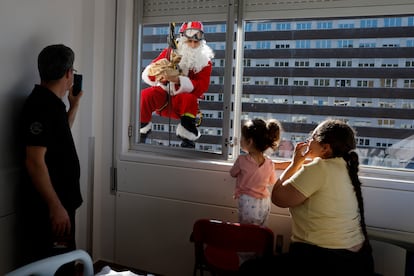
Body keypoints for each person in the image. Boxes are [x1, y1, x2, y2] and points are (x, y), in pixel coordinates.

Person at [240, 119, 375, 276]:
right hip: (355, 260)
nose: (308, 141)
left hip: (324, 259)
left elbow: (278, 198)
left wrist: (295, 163)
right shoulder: (346, 166)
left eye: (313, 137)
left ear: (325, 148)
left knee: (248, 269)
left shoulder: (318, 168)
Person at [19, 44, 83, 274]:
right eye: (72, 71)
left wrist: (73, 106)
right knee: (55, 267)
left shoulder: (52, 104)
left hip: (60, 205)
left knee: (62, 262)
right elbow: (34, 161)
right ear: (68, 73)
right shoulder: (40, 106)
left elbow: (58, 136)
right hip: (51, 209)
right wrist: (55, 206)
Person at [139, 21, 214, 148]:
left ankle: (187, 137)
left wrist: (178, 80)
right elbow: (149, 73)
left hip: (182, 105)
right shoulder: (169, 52)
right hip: (163, 98)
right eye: (189, 41)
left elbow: (202, 86)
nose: (192, 45)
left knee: (189, 99)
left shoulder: (205, 62)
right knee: (146, 94)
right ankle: (141, 130)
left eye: (196, 42)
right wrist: (159, 73)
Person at [230, 118, 282, 226]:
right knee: (260, 232)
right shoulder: (269, 163)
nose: (240, 140)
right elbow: (272, 181)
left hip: (247, 201)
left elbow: (233, 173)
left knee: (247, 231)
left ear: (250, 141)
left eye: (242, 137)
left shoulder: (241, 160)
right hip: (264, 202)